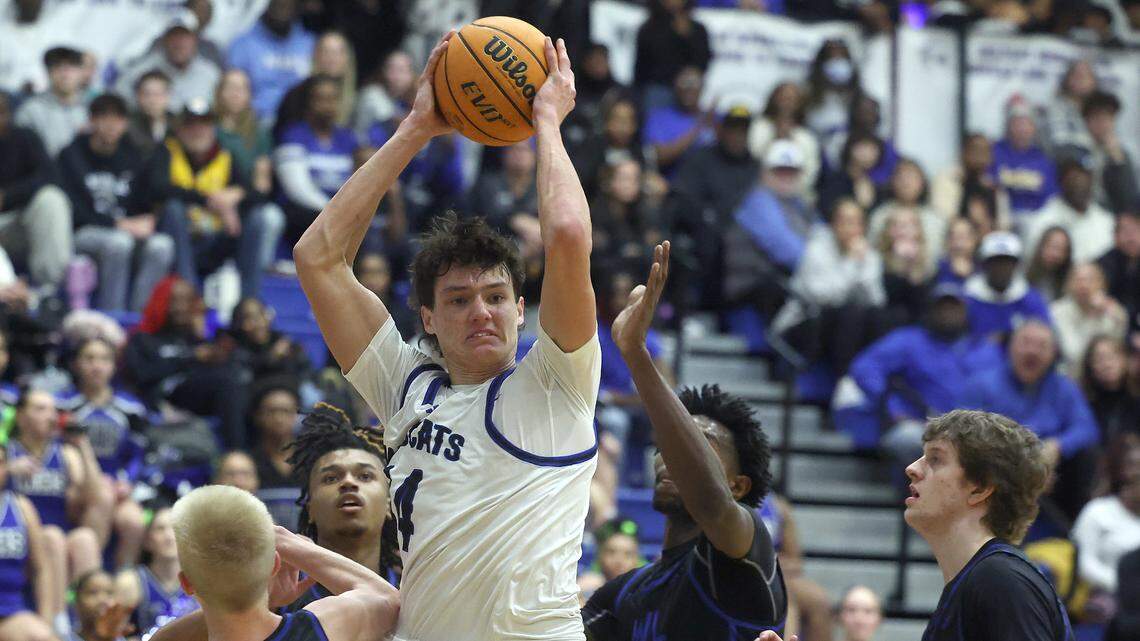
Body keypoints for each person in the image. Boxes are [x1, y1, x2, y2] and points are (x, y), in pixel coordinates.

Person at [293, 33, 598, 640]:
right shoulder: (405, 382)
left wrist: (547, 124)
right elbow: (318, 258)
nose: (481, 313)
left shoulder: (556, 381)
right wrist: (416, 129)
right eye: (458, 301)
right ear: (428, 318)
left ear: (520, 308)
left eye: (495, 298)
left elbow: (566, 235)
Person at [583, 242, 787, 639]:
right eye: (666, 447)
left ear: (738, 485)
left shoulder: (746, 553)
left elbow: (710, 501)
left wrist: (636, 354)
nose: (669, 458)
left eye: (698, 443)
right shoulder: (624, 593)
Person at [148, 485, 400, 641]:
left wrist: (233, 593)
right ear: (275, 564)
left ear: (187, 583)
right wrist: (287, 541)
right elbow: (386, 597)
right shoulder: (318, 628)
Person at [832, 285, 1001, 452]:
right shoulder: (909, 340)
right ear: (931, 311)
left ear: (966, 312)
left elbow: (1002, 390)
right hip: (920, 425)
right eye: (942, 308)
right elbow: (865, 367)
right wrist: (891, 404)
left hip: (972, 433)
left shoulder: (984, 349)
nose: (948, 313)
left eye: (954, 308)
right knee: (908, 439)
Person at [961, 320, 1099, 521]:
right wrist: (1029, 464)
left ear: (1053, 354)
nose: (1033, 351)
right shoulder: (980, 385)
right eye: (1025, 342)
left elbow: (1087, 428)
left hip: (1052, 473)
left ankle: (1075, 531)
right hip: (996, 470)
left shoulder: (1064, 388)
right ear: (1010, 347)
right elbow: (961, 435)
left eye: (1042, 346)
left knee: (1087, 454)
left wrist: (1057, 447)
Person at [147, 99, 285, 299]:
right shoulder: (166, 151)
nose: (198, 131)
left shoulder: (224, 156)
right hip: (181, 241)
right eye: (191, 125)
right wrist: (210, 201)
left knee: (257, 218)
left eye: (204, 124)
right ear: (180, 129)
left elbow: (258, 194)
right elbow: (157, 188)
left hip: (215, 241)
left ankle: (249, 302)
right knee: (173, 208)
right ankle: (189, 293)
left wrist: (237, 195)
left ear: (213, 128)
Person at [59, 93, 175, 313]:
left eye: (118, 119)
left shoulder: (134, 155)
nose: (112, 125)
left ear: (125, 124)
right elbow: (74, 210)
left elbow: (145, 201)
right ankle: (112, 316)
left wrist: (150, 219)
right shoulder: (71, 155)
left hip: (125, 230)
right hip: (84, 232)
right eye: (104, 117)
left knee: (163, 246)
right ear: (92, 120)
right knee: (118, 243)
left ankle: (140, 320)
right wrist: (118, 225)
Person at [279, 404, 399, 610]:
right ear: (310, 510)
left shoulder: (416, 593)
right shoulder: (279, 598)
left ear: (389, 505)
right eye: (331, 478)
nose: (349, 483)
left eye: (365, 476)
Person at [6, 389, 104, 629]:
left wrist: (84, 447)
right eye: (40, 409)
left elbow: (94, 496)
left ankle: (93, 625)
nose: (50, 416)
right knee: (52, 537)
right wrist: (8, 470)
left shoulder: (65, 453)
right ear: (20, 416)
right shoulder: (7, 452)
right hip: (22, 542)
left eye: (52, 410)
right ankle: (59, 622)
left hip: (58, 533)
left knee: (84, 538)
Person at [123, 276, 249, 449]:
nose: (180, 308)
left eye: (187, 301)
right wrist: (191, 357)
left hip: (200, 400)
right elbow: (142, 374)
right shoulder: (143, 339)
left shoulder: (199, 340)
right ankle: (237, 452)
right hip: (162, 398)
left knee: (239, 381)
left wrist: (204, 339)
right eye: (174, 301)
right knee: (225, 383)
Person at [55, 337, 148, 568]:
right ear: (76, 364)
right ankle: (90, 580)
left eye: (104, 359)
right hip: (75, 484)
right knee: (103, 497)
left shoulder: (131, 409)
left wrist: (126, 482)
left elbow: (137, 453)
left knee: (133, 520)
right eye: (89, 358)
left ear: (114, 365)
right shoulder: (63, 405)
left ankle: (122, 583)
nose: (97, 366)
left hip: (116, 483)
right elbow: (55, 450)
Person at [772, 198, 886, 375]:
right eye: (845, 221)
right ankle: (844, 378)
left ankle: (870, 377)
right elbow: (823, 297)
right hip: (805, 322)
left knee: (879, 317)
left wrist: (862, 268)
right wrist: (852, 263)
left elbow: (876, 300)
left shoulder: (868, 255)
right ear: (833, 224)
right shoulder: (816, 249)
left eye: (856, 222)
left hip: (844, 326)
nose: (851, 228)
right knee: (851, 314)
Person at [724, 140, 818, 318]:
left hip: (786, 283)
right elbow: (791, 253)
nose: (786, 177)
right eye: (779, 171)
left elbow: (823, 236)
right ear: (764, 172)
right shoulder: (758, 202)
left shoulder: (798, 204)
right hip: (751, 289)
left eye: (792, 172)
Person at [274, 76, 363, 243]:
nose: (328, 105)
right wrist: (334, 212)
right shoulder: (293, 135)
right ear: (308, 102)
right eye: (321, 99)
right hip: (304, 216)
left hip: (341, 216)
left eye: (333, 99)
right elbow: (297, 189)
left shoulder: (347, 138)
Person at [0, 92, 74, 292]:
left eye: (2, 112)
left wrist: (7, 196)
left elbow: (50, 176)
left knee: (52, 199)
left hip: (15, 224)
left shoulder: (23, 137)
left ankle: (50, 291)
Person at [1071, 443, 1140, 606]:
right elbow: (1083, 564)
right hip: (1098, 601)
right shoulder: (1097, 511)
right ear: (1128, 481)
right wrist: (1127, 586)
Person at [0, 446, 57, 641]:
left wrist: (46, 621)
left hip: (9, 612)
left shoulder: (21, 507)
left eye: (0, 463)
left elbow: (41, 569)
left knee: (42, 636)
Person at [114, 506, 199, 637]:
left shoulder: (203, 580)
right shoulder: (130, 582)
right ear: (147, 540)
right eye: (160, 529)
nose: (169, 536)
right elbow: (112, 634)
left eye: (175, 528)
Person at [226, 0, 315, 122]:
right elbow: (233, 95)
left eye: (288, 3)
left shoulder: (310, 44)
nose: (283, 6)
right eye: (278, 3)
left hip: (302, 124)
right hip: (258, 122)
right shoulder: (243, 45)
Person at [115, 11, 222, 112]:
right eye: (174, 36)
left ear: (195, 39)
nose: (179, 43)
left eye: (185, 37)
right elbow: (118, 97)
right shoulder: (143, 69)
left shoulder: (210, 74)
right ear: (164, 40)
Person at [1024, 155, 1114, 265]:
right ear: (1061, 182)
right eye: (1074, 178)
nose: (1080, 183)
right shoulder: (1042, 221)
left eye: (1085, 176)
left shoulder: (1106, 221)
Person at [964, 231, 1051, 340]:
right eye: (996, 262)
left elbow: (1047, 337)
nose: (1001, 269)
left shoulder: (1030, 299)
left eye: (1007, 263)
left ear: (1016, 265)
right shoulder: (968, 299)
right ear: (984, 264)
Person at [633, 0, 711, 114]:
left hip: (689, 89)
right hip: (659, 88)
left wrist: (687, 37)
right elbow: (643, 67)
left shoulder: (697, 29)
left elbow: (702, 61)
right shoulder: (648, 29)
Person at [1050, 263, 1127, 375]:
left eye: (1090, 280)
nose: (1084, 285)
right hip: (1070, 376)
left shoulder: (1112, 310)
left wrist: (1116, 318)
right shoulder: (1057, 311)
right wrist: (1093, 317)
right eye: (1078, 280)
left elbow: (1116, 355)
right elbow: (1074, 353)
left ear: (1102, 284)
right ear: (1069, 284)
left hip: (1103, 377)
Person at [14, 46, 89, 158]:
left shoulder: (92, 108)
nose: (65, 75)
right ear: (48, 73)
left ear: (81, 72)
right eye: (58, 67)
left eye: (71, 67)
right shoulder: (31, 111)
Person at [990, 95, 1058, 220]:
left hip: (1035, 217)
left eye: (1026, 124)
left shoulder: (1042, 159)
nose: (1022, 129)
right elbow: (988, 182)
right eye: (1016, 124)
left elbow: (1050, 196)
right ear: (1008, 126)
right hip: (1001, 214)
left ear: (1033, 128)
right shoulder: (994, 152)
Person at [274, 32, 357, 133]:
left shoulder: (356, 99)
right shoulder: (296, 96)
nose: (332, 58)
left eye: (338, 52)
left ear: (348, 58)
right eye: (326, 52)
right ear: (315, 56)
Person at [748, 83, 820, 198]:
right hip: (760, 190)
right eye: (783, 97)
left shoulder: (806, 137)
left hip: (797, 195)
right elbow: (753, 158)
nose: (787, 102)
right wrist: (776, 136)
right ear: (774, 99)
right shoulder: (759, 127)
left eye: (792, 98)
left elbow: (810, 173)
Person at [642, 66, 714, 176]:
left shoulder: (715, 117)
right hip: (671, 186)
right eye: (684, 83)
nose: (688, 89)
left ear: (702, 87)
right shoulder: (658, 118)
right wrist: (698, 128)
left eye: (693, 83)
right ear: (675, 86)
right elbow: (658, 157)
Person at [214, 69, 274, 199]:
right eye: (230, 87)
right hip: (210, 195)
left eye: (241, 89)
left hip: (248, 198)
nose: (235, 93)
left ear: (250, 95)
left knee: (270, 216)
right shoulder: (207, 127)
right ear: (219, 93)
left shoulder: (259, 132)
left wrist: (239, 195)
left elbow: (262, 184)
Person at [804, 39, 861, 171]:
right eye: (832, 58)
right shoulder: (809, 93)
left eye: (841, 57)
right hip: (816, 151)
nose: (837, 63)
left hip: (848, 156)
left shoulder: (857, 95)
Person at [931, 133, 1010, 227]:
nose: (979, 155)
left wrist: (984, 224)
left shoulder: (994, 187)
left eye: (985, 151)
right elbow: (941, 217)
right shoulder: (947, 179)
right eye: (975, 149)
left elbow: (1004, 224)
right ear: (963, 152)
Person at [227, 298, 313, 382]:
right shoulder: (234, 350)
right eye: (249, 318)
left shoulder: (283, 342)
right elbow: (244, 380)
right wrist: (272, 357)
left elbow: (306, 373)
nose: (258, 323)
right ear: (238, 323)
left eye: (260, 314)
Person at [1081, 90, 1139, 214]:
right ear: (1086, 121)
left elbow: (1128, 199)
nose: (1103, 124)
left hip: (1113, 216)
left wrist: (1118, 160)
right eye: (1097, 118)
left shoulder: (1122, 155)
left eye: (1108, 118)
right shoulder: (1075, 149)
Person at [1080, 335, 1140, 443]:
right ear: (1090, 367)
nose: (1107, 364)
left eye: (1112, 357)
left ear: (1124, 359)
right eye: (1099, 359)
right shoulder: (1084, 403)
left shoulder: (1136, 398)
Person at [1043, 60, 1097, 153]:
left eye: (1085, 76)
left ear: (1093, 81)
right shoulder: (1057, 106)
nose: (1081, 80)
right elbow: (1059, 139)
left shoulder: (1100, 110)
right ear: (1068, 79)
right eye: (1077, 75)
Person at [1099, 211, 1140, 335]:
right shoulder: (1103, 263)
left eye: (1135, 231)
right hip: (1115, 323)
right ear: (1115, 237)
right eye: (1125, 232)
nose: (1131, 238)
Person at [126, 71, 175, 158]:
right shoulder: (127, 126)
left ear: (168, 96)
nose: (152, 100)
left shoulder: (178, 124)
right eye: (146, 94)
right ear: (138, 96)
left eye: (158, 94)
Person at [1025, 226, 1073, 302]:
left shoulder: (1069, 280)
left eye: (1062, 250)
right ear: (1042, 246)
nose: (1056, 254)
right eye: (1054, 247)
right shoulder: (1023, 274)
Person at [934, 218, 978, 287]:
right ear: (947, 241)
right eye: (954, 237)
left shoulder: (983, 272)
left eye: (963, 237)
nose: (959, 243)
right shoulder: (936, 270)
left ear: (974, 240)